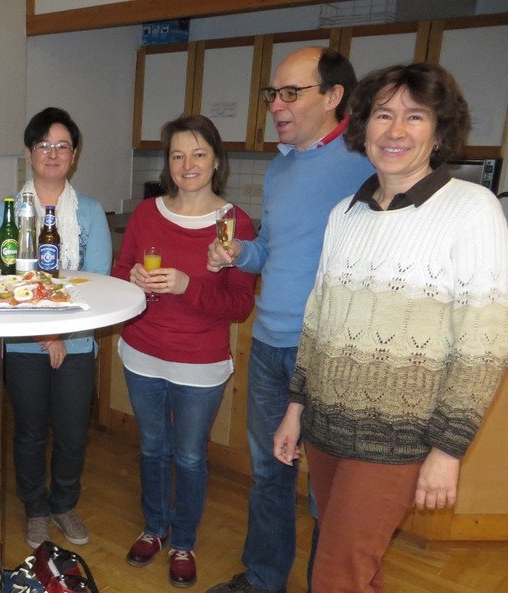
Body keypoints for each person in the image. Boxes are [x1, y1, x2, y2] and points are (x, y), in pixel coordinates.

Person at [273, 62, 508, 593]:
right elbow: (318, 321)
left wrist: (447, 451)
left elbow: (484, 345)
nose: (395, 131)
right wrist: (296, 409)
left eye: (415, 116)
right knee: (361, 569)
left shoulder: (472, 210)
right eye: (383, 115)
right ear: (363, 126)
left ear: (439, 131)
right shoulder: (345, 213)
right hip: (326, 429)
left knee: (335, 576)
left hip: (399, 438)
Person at [205, 47, 376, 593]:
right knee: (268, 474)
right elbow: (270, 251)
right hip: (268, 344)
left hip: (328, 353)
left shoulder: (367, 164)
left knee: (327, 491)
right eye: (272, 94)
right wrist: (239, 254)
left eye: (291, 93)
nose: (276, 105)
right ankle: (263, 580)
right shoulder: (279, 168)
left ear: (333, 96)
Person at [113, 115, 257, 588]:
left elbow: (239, 306)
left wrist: (186, 286)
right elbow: (120, 273)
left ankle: (184, 541)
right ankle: (155, 528)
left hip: (200, 362)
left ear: (216, 160)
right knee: (153, 448)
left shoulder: (234, 223)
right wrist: (134, 280)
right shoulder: (146, 213)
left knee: (190, 456)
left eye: (198, 153)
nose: (187, 164)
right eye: (177, 155)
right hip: (143, 351)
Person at [0, 107, 112, 549]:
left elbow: (97, 282)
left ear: (74, 155)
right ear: (29, 153)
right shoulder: (9, 212)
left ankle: (64, 503)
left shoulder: (91, 212)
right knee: (30, 433)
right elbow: (4, 283)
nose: (53, 153)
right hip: (24, 344)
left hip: (76, 344)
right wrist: (45, 334)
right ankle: (35, 508)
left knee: (73, 434)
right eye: (44, 145)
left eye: (62, 146)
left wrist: (60, 335)